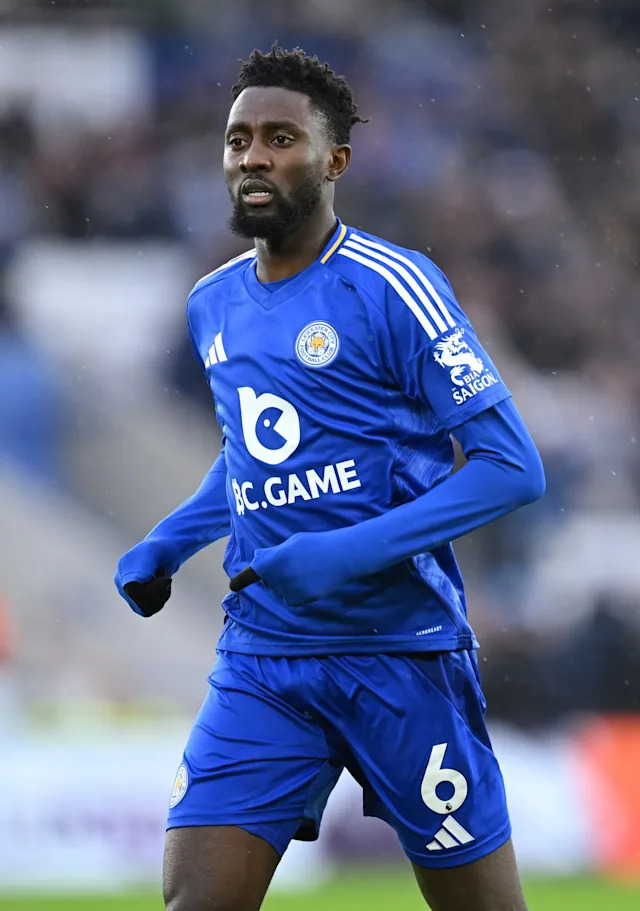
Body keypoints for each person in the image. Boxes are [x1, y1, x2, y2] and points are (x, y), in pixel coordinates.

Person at [115, 45, 545, 911]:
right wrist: (172, 537)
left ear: (334, 160)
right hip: (264, 657)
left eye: (281, 138)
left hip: (401, 654)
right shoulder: (212, 302)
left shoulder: (394, 286)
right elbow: (253, 452)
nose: (253, 157)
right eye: (238, 139)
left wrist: (344, 553)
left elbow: (511, 468)